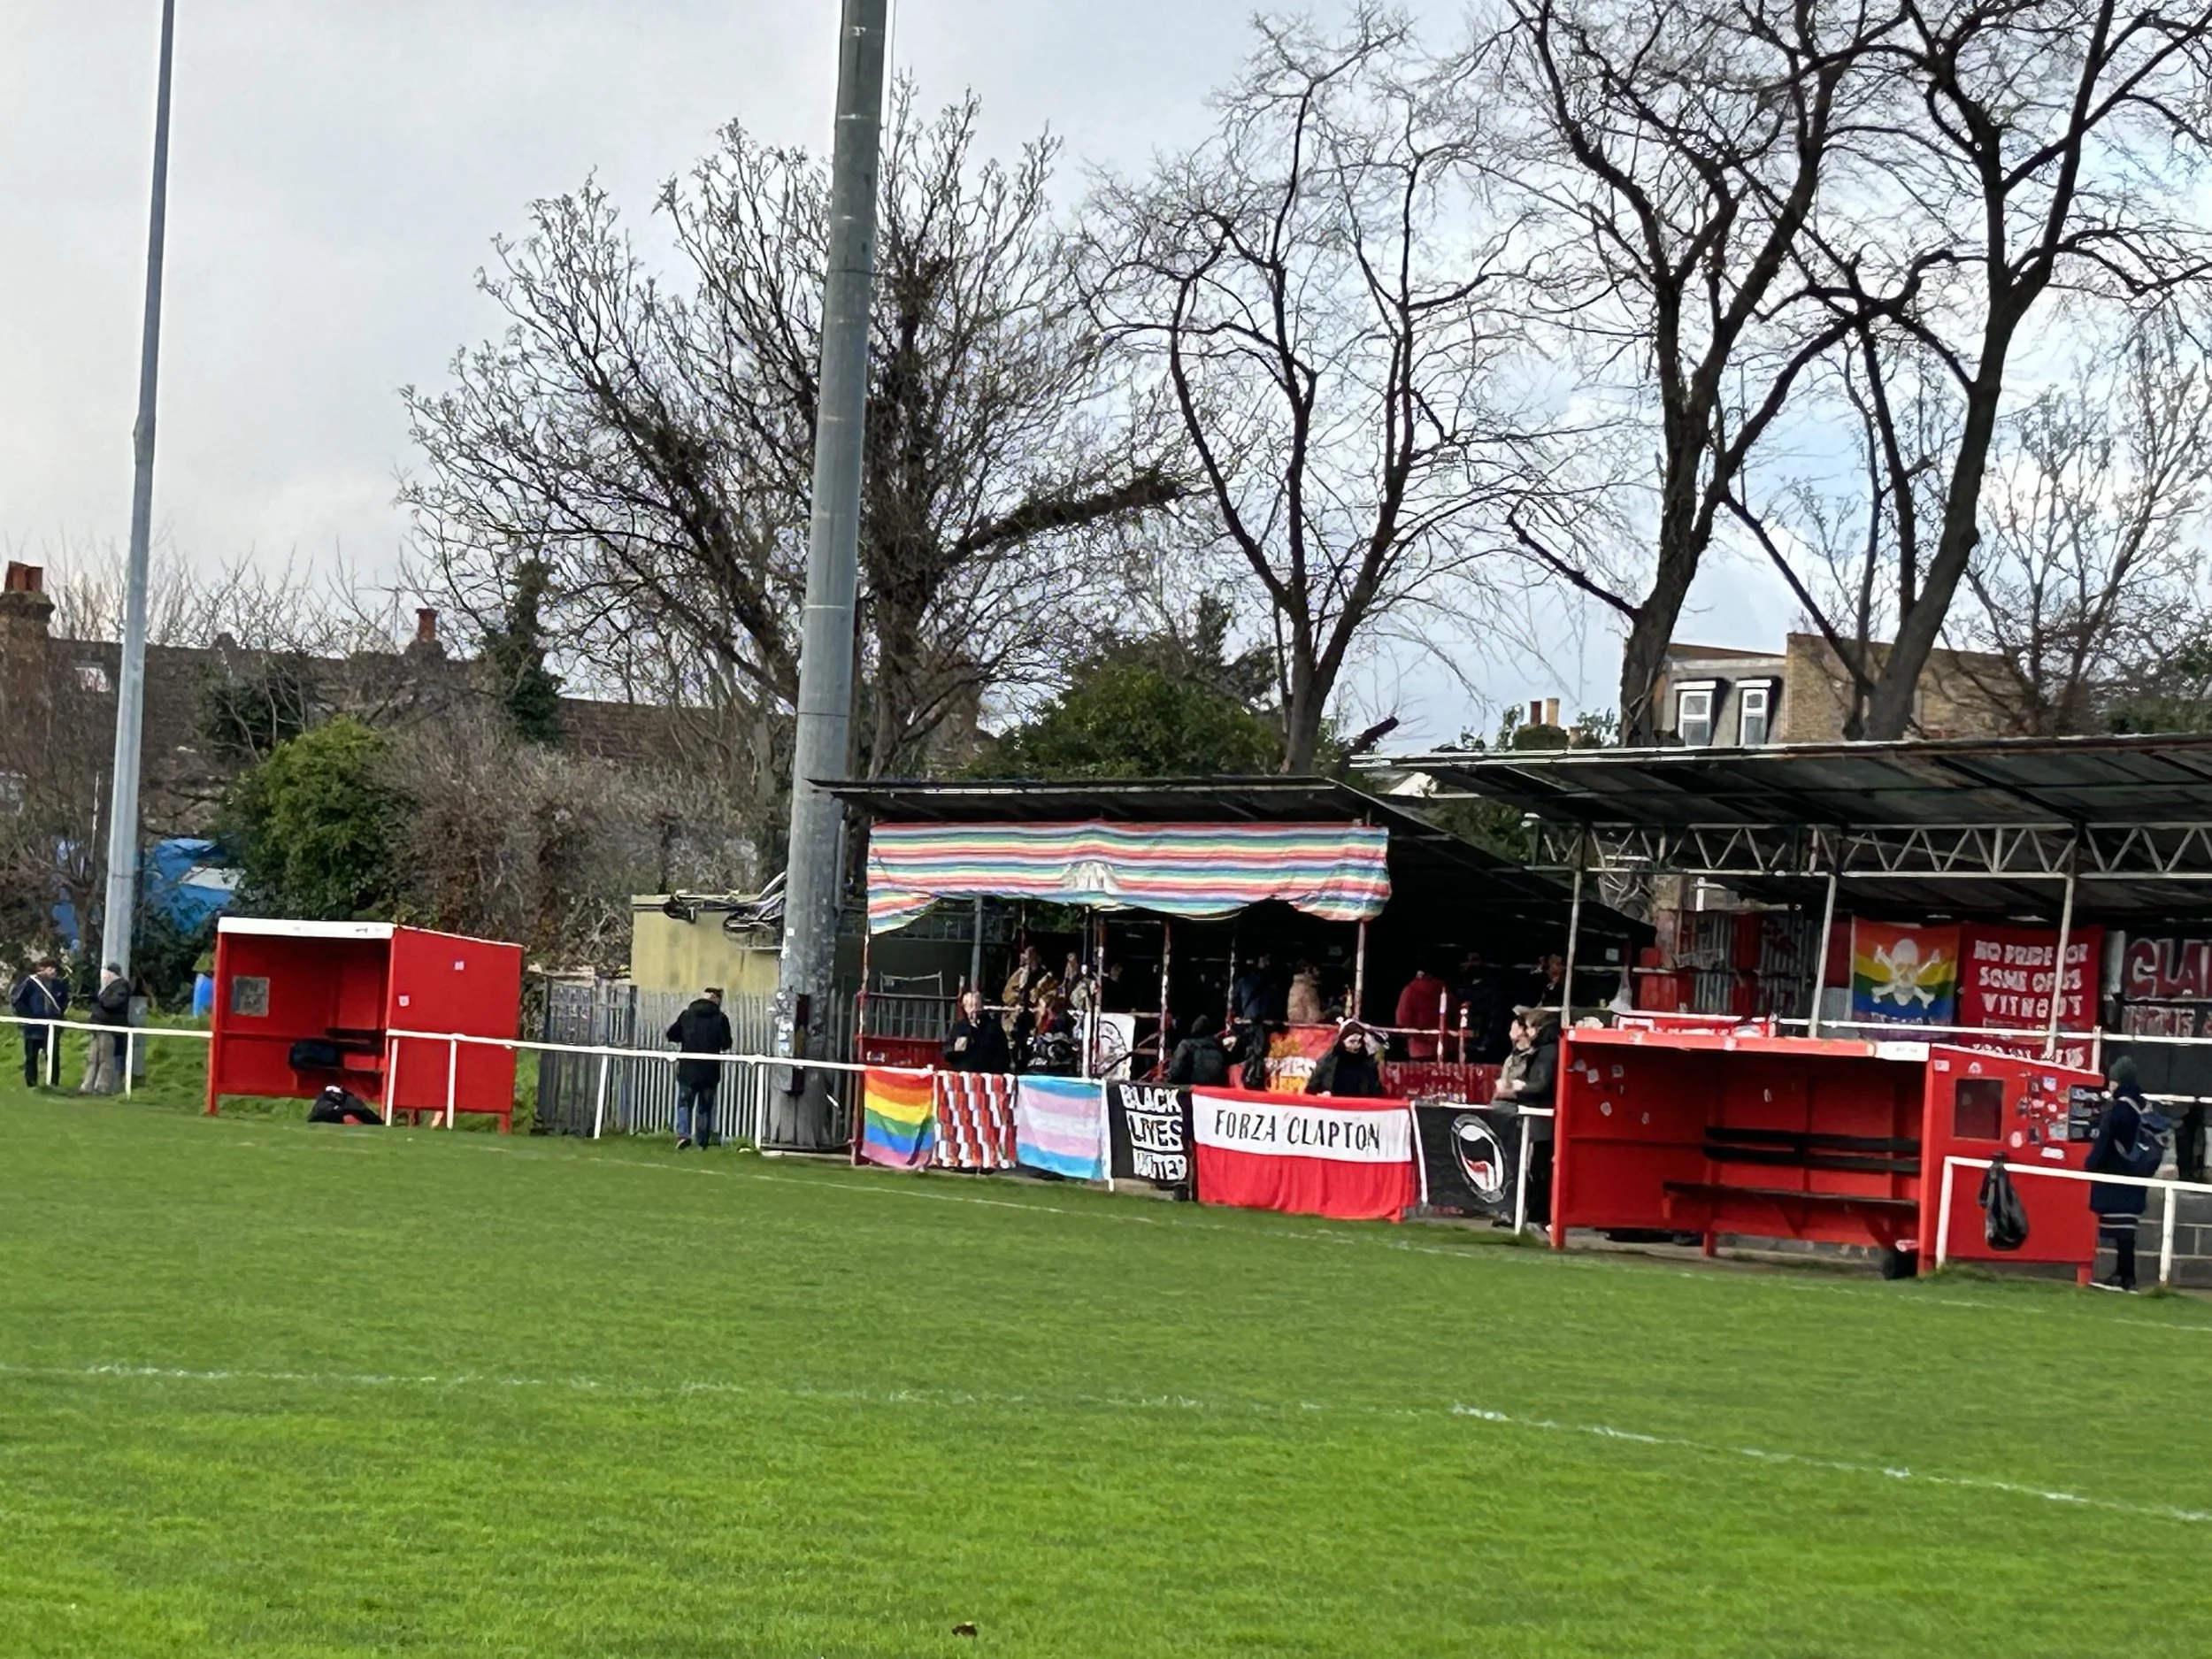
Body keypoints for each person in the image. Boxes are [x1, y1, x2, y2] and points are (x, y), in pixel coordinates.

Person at [2085, 1056, 2169, 1293]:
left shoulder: (2119, 1110)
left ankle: (2126, 1278)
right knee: (2127, 1229)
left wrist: (2090, 1164)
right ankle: (2124, 1276)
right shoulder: (2141, 1106)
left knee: (2120, 1229)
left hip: (2116, 1175)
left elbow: (2104, 1142)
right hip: (2136, 1174)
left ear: (2117, 1081)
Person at [1491, 1006, 1561, 1227]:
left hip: (1535, 1119)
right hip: (1531, 1117)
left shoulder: (1545, 1052)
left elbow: (1540, 1085)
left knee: (1530, 1167)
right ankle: (1529, 1213)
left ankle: (1529, 1213)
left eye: (1528, 1027)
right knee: (1530, 1166)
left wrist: (1515, 1088)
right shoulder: (1539, 1052)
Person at [665, 986, 733, 1149]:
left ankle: (683, 1134)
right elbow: (726, 1044)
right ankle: (702, 1142)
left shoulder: (687, 1015)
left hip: (687, 1069)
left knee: (684, 1104)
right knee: (704, 1107)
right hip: (710, 1071)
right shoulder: (721, 1018)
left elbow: (671, 1035)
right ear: (716, 999)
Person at [11, 957, 68, 1088]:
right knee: (31, 1057)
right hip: (33, 1028)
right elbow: (18, 1001)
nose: (53, 971)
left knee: (53, 1057)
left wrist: (57, 1016)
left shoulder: (59, 985)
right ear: (42, 969)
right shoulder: (30, 983)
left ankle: (53, 1084)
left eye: (54, 969)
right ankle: (32, 1084)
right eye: (50, 968)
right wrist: (29, 1017)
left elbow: (63, 1001)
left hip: (52, 1028)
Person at [79, 964, 132, 1095]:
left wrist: (99, 1000)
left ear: (111, 974)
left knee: (105, 1058)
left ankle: (103, 1086)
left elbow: (111, 1004)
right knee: (93, 1057)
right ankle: (88, 1085)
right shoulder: (111, 987)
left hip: (109, 1027)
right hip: (99, 1026)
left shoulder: (121, 987)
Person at [1305, 1021, 1384, 1098]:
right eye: (1352, 1042)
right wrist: (1324, 1092)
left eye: (1359, 1041)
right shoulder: (1330, 1060)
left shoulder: (1367, 1063)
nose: (1356, 1045)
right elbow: (1312, 1086)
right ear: (1342, 1041)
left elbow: (1376, 1091)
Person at [942, 989, 1011, 1073]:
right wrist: (955, 1048)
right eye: (970, 1006)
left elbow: (1003, 1056)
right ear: (965, 1008)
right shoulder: (959, 1027)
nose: (973, 1010)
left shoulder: (993, 1028)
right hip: (963, 1076)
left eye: (976, 1005)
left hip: (987, 1076)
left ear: (981, 1007)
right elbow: (946, 1053)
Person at [1394, 962, 1450, 1061]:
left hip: (1419, 1050)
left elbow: (1401, 1022)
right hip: (1445, 1047)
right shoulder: (1444, 990)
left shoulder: (1410, 990)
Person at [1165, 1019, 1232, 1087]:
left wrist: (1169, 1077)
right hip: (1217, 1086)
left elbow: (1176, 1068)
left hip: (1194, 1085)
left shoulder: (1186, 1044)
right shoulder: (1219, 1046)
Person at [1028, 991, 1080, 1076]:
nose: (1038, 1008)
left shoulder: (1059, 1023)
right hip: (1043, 1067)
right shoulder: (1042, 1022)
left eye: (1040, 1006)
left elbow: (1059, 1044)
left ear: (1048, 1007)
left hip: (1057, 1067)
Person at [1286, 960, 1325, 1025]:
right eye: (1316, 969)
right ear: (1307, 970)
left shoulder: (1301, 986)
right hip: (1307, 1028)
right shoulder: (1305, 988)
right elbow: (1314, 1015)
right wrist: (1328, 1014)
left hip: (1301, 1027)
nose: (1319, 972)